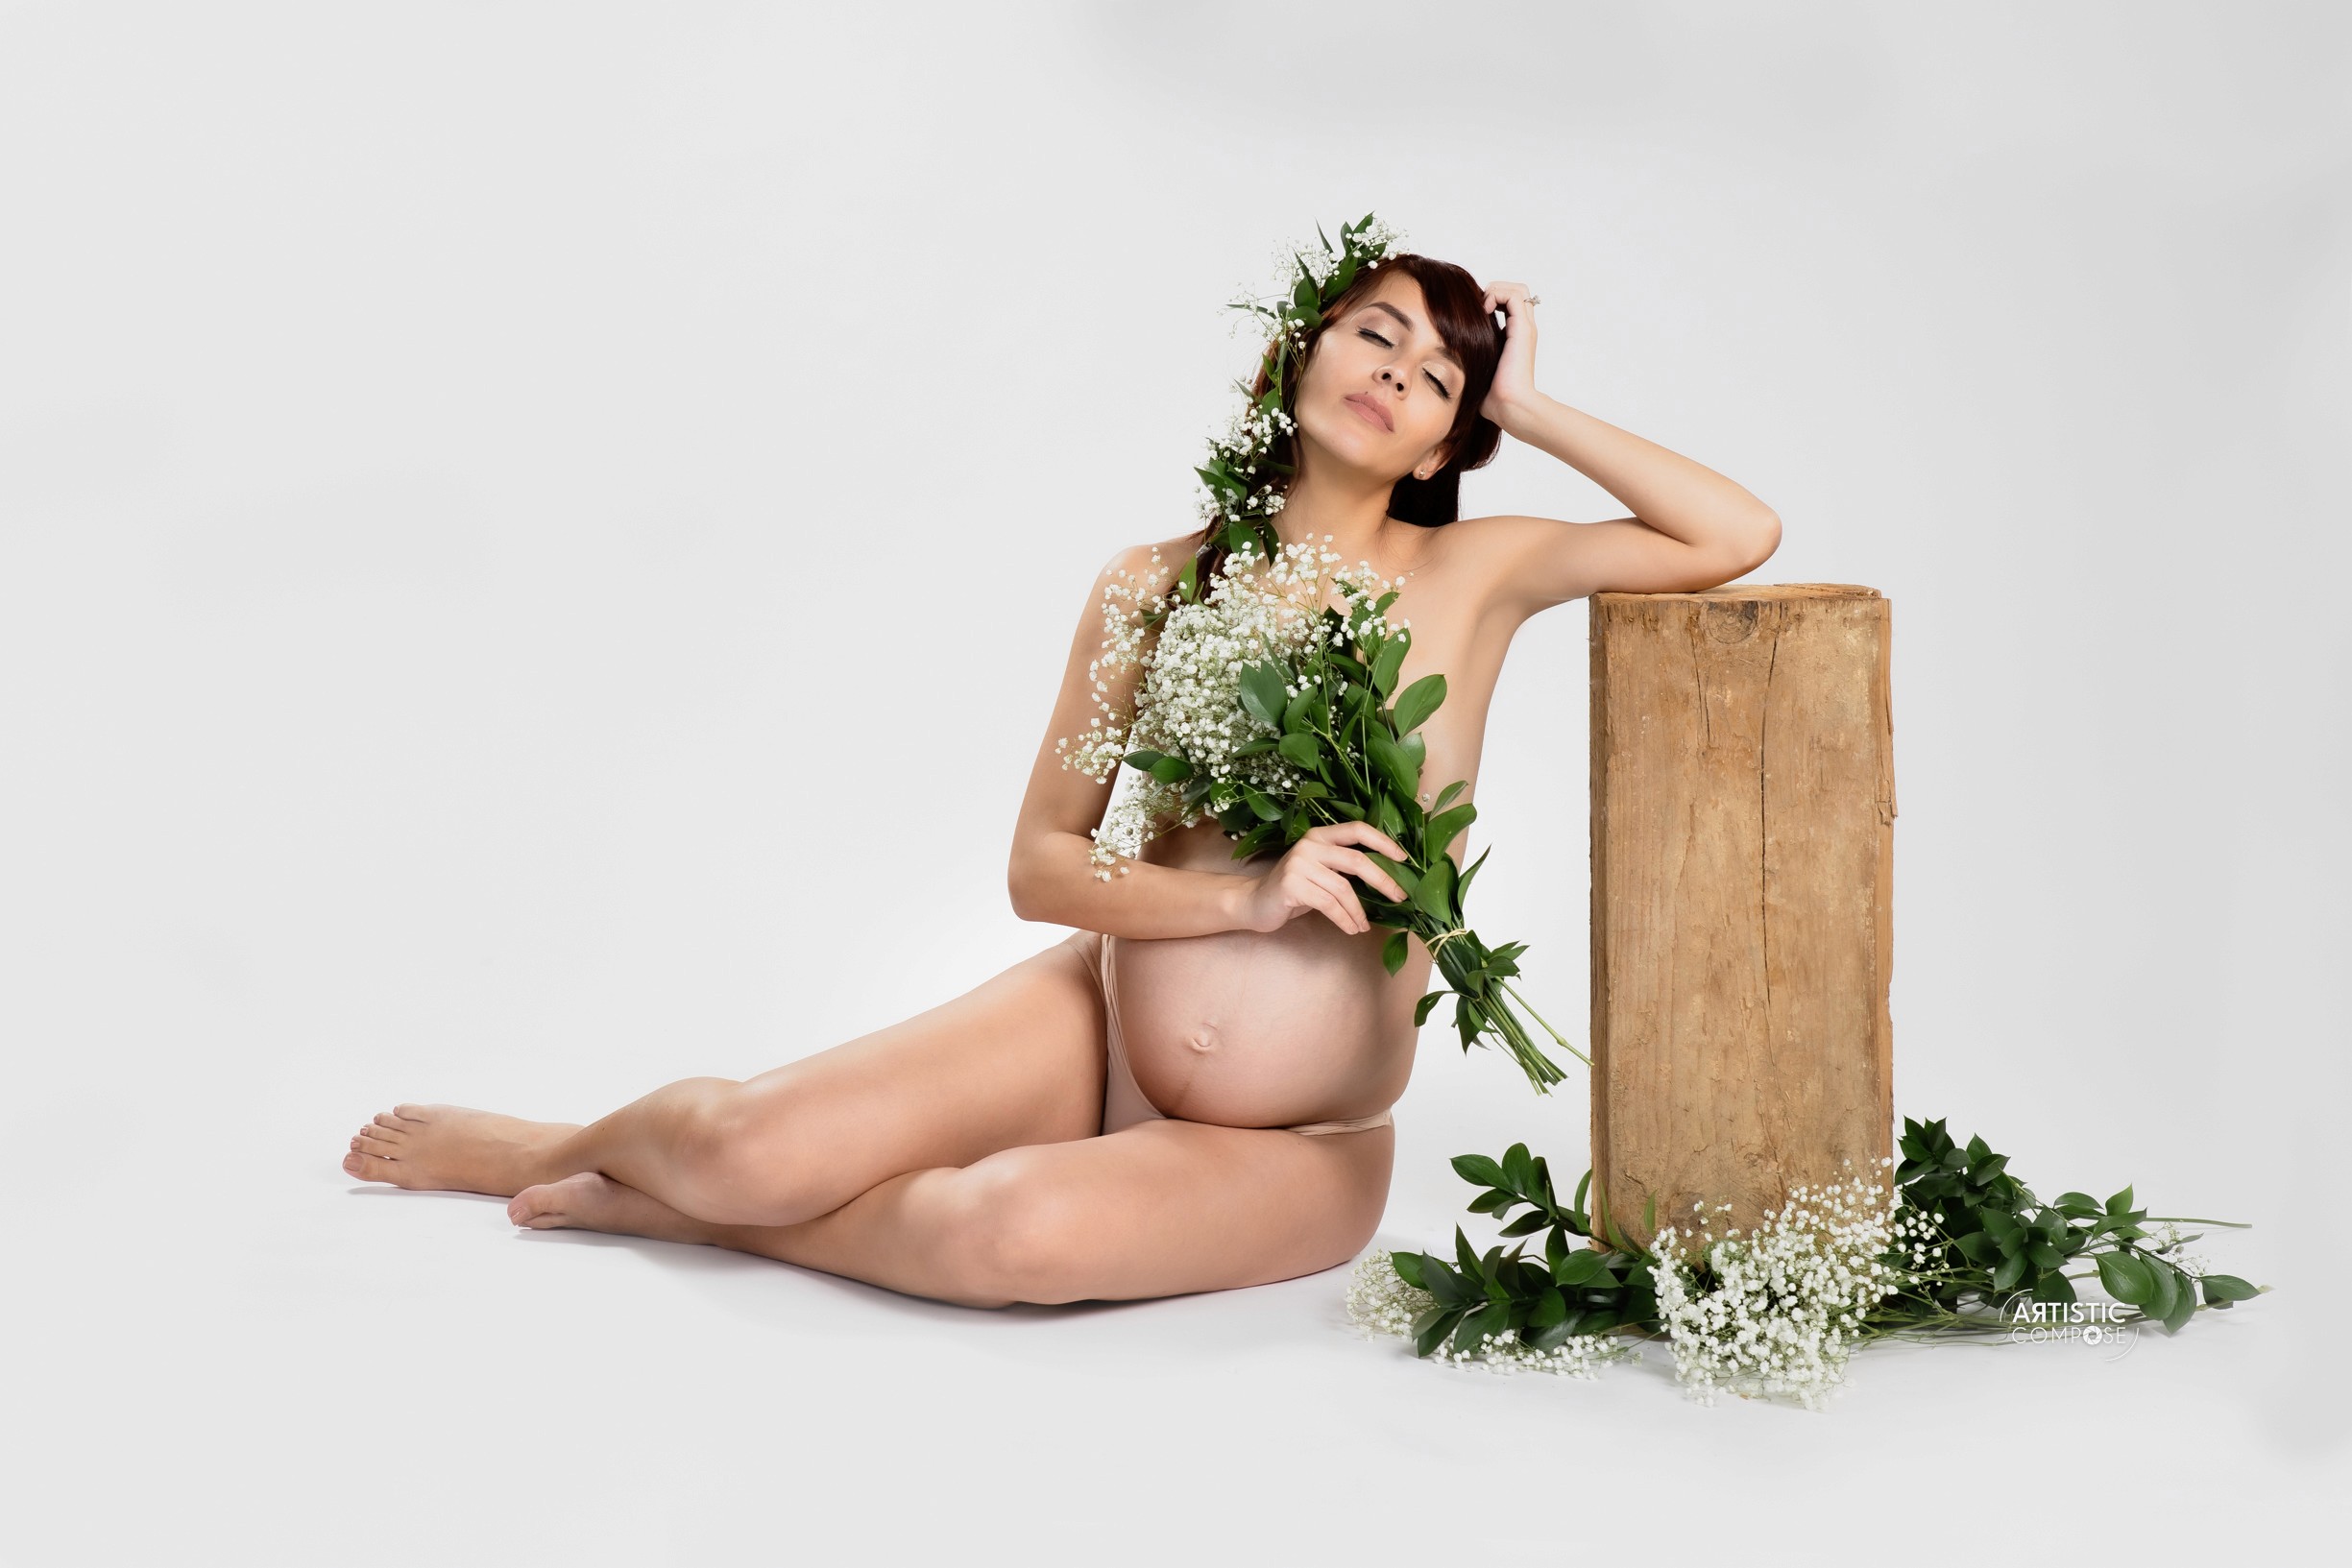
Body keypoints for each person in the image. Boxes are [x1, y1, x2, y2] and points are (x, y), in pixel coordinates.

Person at [341, 251, 1782, 1309]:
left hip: (1301, 1141)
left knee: (1005, 1233)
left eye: (1438, 379)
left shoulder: (1475, 574)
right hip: (1094, 1022)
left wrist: (1529, 404)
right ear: (1298, 350)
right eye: (1375, 332)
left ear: (1445, 444)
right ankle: (559, 1145)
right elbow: (1041, 867)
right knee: (745, 1139)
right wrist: (1249, 900)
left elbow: (1732, 531)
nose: (1397, 371)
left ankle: (700, 1224)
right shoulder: (1153, 585)